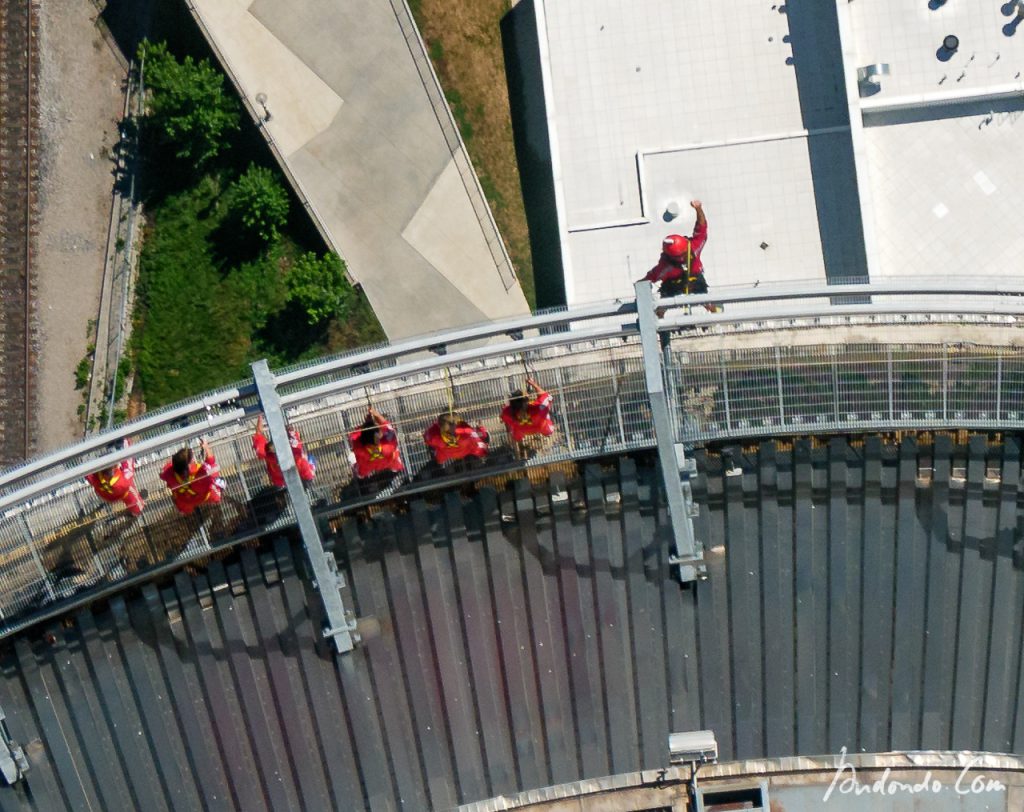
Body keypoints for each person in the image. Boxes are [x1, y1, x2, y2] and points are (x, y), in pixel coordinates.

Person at [640, 199, 718, 313]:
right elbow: (652, 276)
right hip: (672, 282)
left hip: (694, 277)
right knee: (661, 306)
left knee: (705, 300)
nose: (683, 258)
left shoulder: (693, 247)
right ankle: (660, 325)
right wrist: (640, 286)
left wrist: (698, 208)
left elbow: (701, 228)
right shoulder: (666, 265)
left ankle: (715, 313)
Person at [159, 439, 224, 515]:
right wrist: (206, 447)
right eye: (192, 459)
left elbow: (162, 473)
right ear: (189, 465)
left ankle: (183, 512)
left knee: (179, 501)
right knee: (219, 481)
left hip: (184, 501)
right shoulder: (200, 473)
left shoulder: (169, 472)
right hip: (206, 496)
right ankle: (217, 500)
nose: (193, 459)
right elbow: (211, 460)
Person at [252, 414, 317, 488]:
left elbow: (258, 434)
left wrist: (260, 417)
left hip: (285, 474)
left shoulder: (265, 453)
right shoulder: (296, 450)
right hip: (297, 465)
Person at [85, 443, 144, 516]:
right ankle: (136, 511)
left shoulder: (95, 477)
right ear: (114, 467)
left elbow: (87, 475)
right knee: (134, 500)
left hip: (106, 496)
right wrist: (125, 444)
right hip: (123, 493)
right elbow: (129, 467)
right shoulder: (122, 482)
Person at [350, 408, 404, 479]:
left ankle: (361, 475)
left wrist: (366, 425)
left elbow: (353, 436)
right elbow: (388, 427)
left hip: (368, 465)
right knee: (395, 460)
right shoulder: (388, 444)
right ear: (380, 435)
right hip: (388, 461)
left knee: (360, 469)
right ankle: (397, 468)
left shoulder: (359, 448)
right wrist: (377, 415)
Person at [501, 378, 555, 443]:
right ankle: (548, 434)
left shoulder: (507, 412)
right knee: (546, 416)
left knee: (514, 429)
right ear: (525, 401)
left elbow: (503, 416)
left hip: (522, 430)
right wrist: (533, 384)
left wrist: (505, 408)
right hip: (540, 427)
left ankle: (519, 441)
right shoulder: (538, 408)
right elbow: (549, 397)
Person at [423, 412, 489, 465]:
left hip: (446, 453)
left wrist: (435, 426)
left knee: (439, 457)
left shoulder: (435, 437)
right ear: (457, 424)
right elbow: (476, 438)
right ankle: (482, 457)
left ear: (440, 426)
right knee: (480, 445)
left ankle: (438, 463)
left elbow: (426, 438)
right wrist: (481, 429)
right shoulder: (466, 432)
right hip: (465, 450)